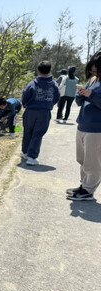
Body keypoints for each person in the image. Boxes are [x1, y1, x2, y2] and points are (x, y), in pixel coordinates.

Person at [67, 52, 101, 201]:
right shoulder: (93, 80)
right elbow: (80, 102)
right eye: (92, 71)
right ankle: (84, 185)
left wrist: (91, 95)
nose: (94, 74)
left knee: (92, 161)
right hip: (83, 125)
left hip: (97, 129)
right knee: (82, 159)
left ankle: (88, 190)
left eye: (97, 71)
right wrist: (80, 94)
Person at [21, 60, 61, 166]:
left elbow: (25, 97)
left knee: (27, 132)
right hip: (44, 112)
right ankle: (32, 156)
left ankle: (25, 152)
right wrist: (49, 104)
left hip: (30, 111)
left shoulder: (32, 83)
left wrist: (26, 105)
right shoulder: (54, 84)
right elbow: (57, 97)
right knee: (38, 134)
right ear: (50, 71)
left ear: (38, 70)